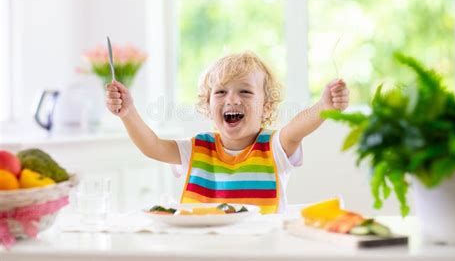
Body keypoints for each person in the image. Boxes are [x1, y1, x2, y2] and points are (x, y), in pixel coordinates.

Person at [105, 52, 349, 213]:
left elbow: (296, 129)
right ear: (207, 104)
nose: (232, 99)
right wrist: (128, 112)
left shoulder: (274, 147)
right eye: (220, 92)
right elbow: (153, 146)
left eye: (245, 92)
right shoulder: (196, 149)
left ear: (266, 106)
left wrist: (323, 106)